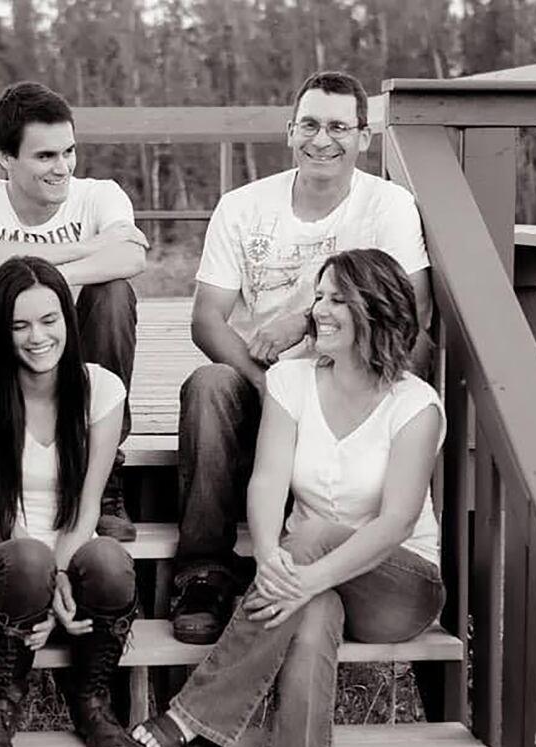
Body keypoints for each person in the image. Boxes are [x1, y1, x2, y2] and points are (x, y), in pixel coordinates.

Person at [128, 248, 446, 747]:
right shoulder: (293, 381)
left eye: (332, 300)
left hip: (397, 584)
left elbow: (394, 524)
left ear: (372, 311)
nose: (316, 312)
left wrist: (300, 568)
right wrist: (272, 555)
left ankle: (193, 716)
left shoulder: (416, 405)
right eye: (318, 296)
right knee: (308, 625)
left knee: (319, 535)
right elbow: (268, 481)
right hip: (307, 577)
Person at [171, 70, 433, 646]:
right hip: (267, 377)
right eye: (309, 124)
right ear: (290, 132)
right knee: (209, 385)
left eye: (340, 127)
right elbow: (206, 317)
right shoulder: (243, 206)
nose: (323, 139)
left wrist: (306, 322)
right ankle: (203, 573)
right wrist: (271, 391)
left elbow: (414, 316)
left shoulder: (389, 206)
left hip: (349, 380)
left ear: (364, 137)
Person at [0, 80, 148, 546]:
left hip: (68, 347)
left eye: (69, 152)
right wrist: (82, 249)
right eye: (46, 156)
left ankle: (100, 483)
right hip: (4, 348)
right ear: (5, 157)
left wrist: (44, 278)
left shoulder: (99, 194)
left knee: (113, 295)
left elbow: (131, 257)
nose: (62, 168)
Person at [0, 255, 137, 747]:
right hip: (1, 575)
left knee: (110, 561)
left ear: (67, 321)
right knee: (29, 558)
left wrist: (61, 577)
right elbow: (2, 520)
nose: (37, 337)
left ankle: (92, 700)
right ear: (1, 331)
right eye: (20, 325)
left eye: (49, 320)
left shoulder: (102, 389)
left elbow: (85, 509)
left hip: (70, 557)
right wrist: (43, 590)